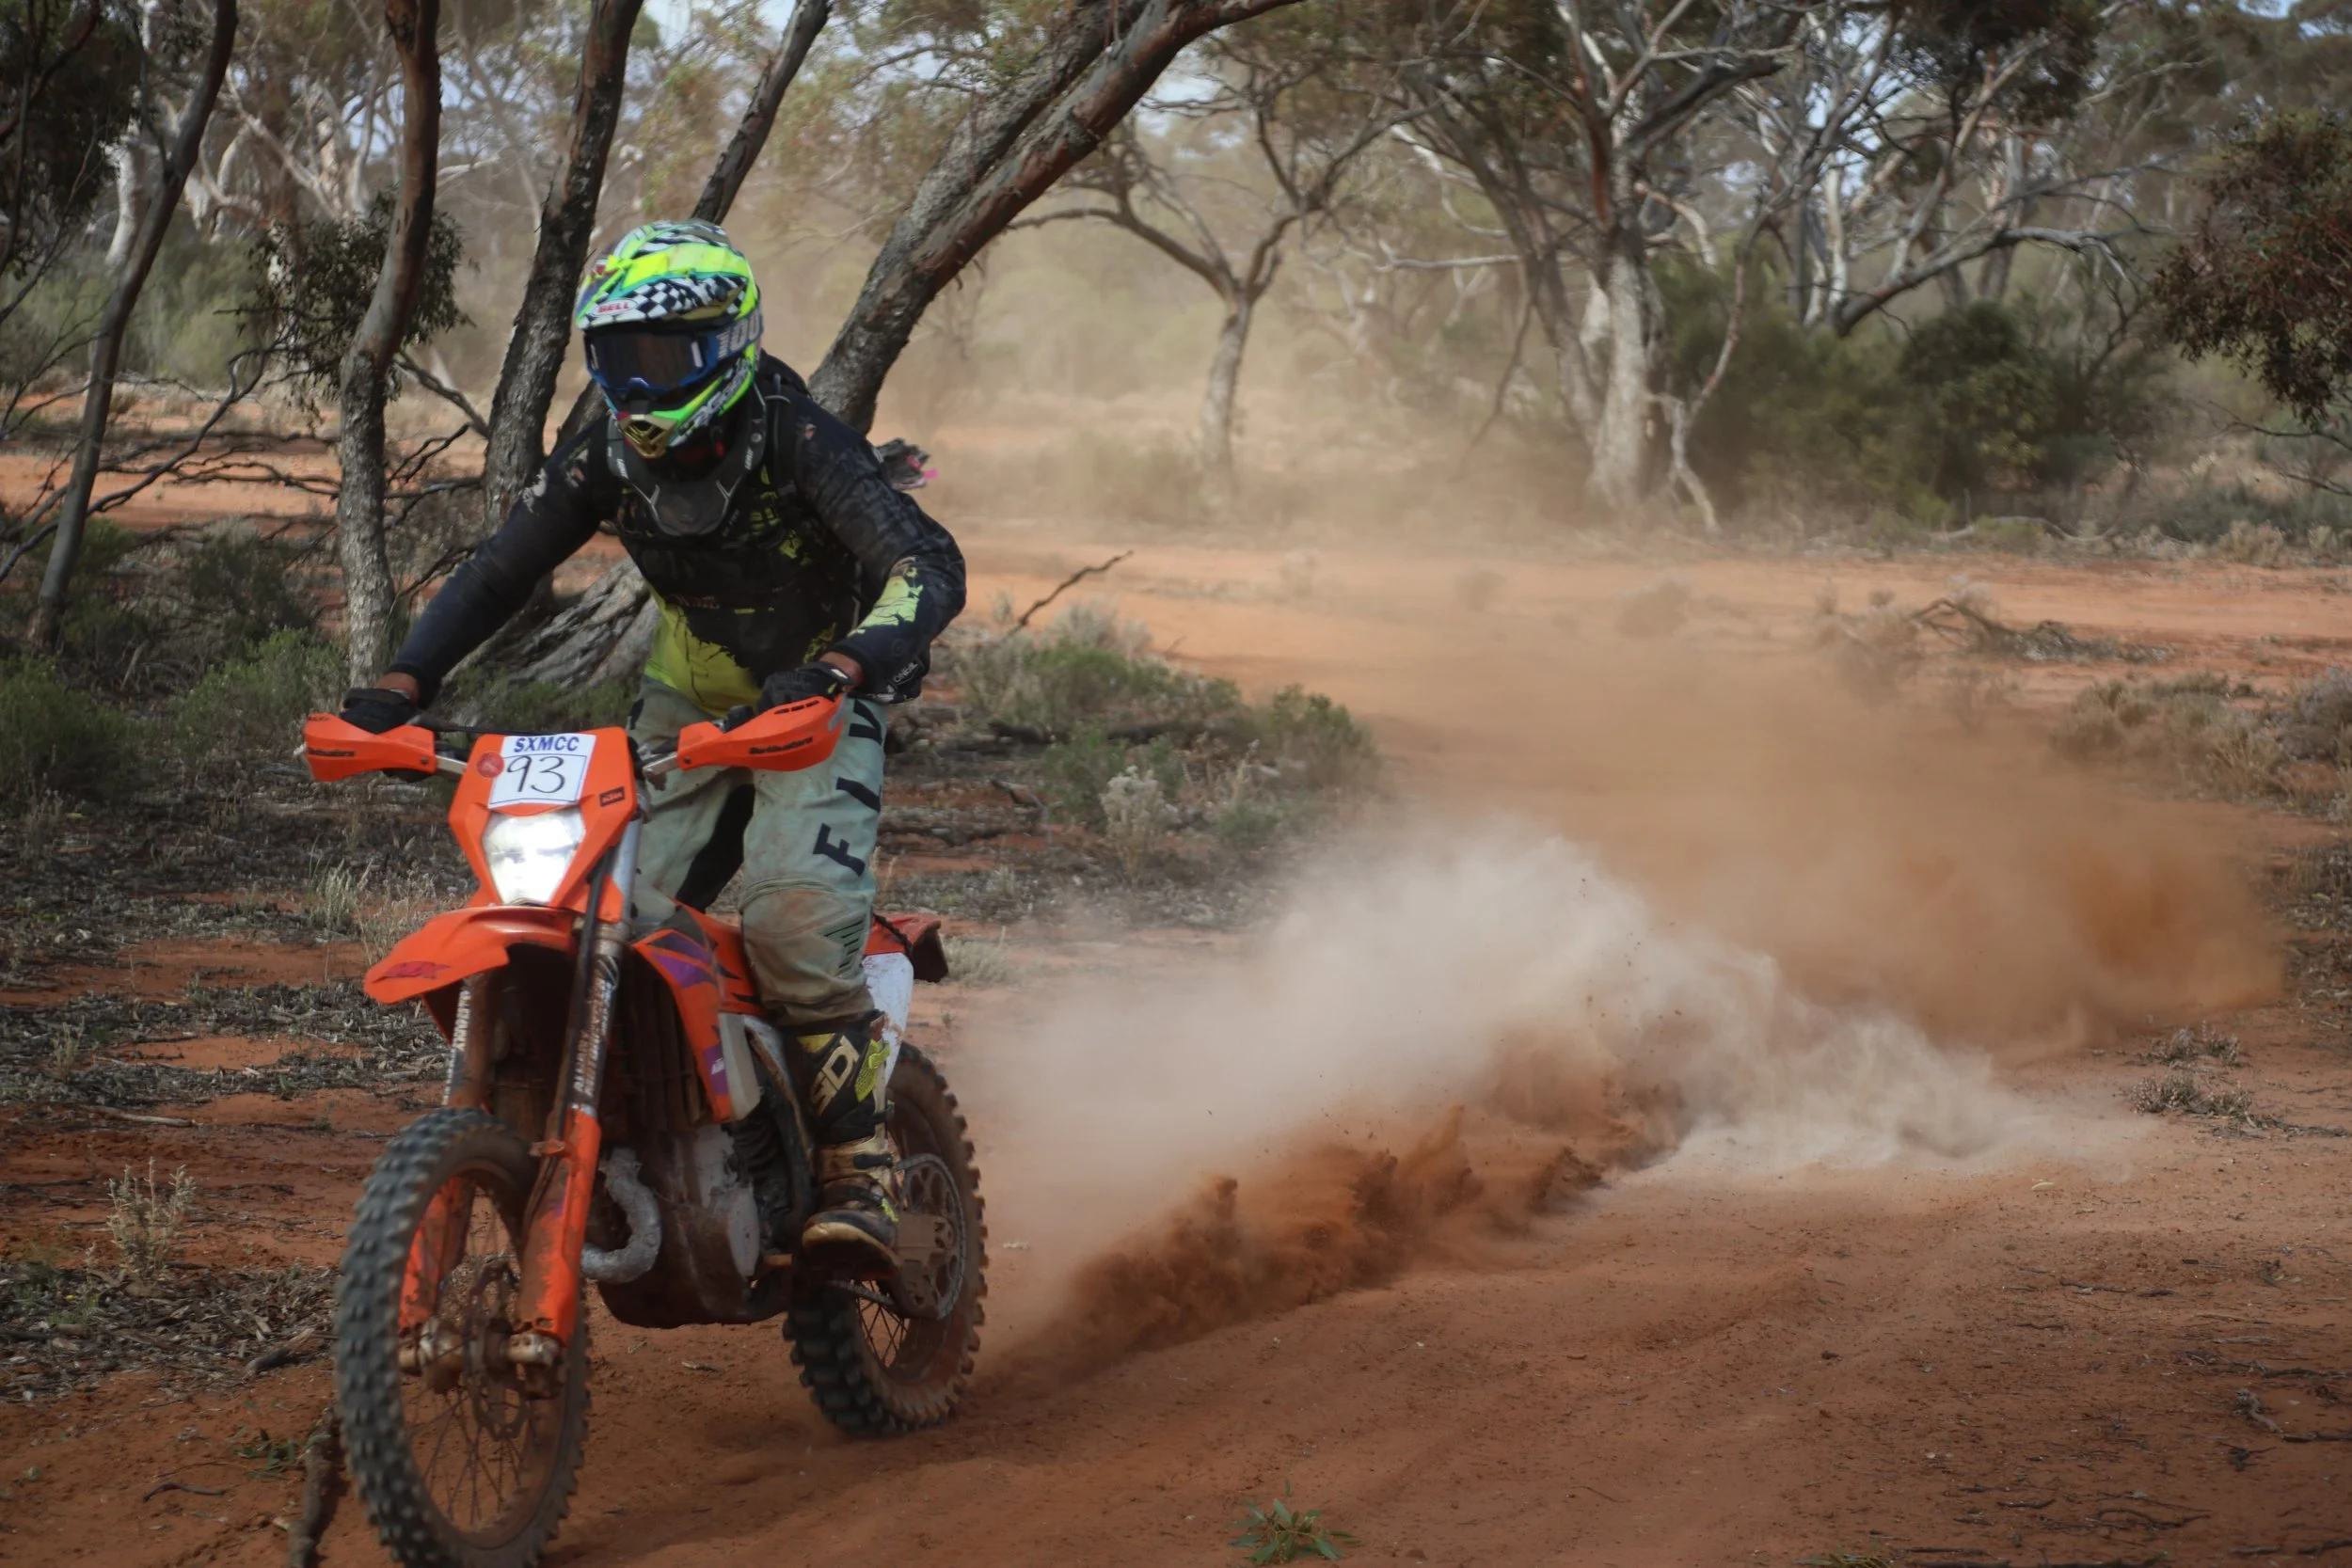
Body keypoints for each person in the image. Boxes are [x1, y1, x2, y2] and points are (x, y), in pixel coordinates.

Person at [339, 220, 964, 1275]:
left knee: (789, 921)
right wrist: (402, 683)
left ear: (727, 345)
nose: (642, 381)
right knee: (587, 912)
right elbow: (501, 569)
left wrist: (850, 667)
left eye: (667, 357)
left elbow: (924, 562)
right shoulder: (610, 450)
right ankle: (665, 1120)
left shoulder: (798, 434)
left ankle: (859, 1164)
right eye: (623, 360)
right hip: (686, 709)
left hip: (817, 701)